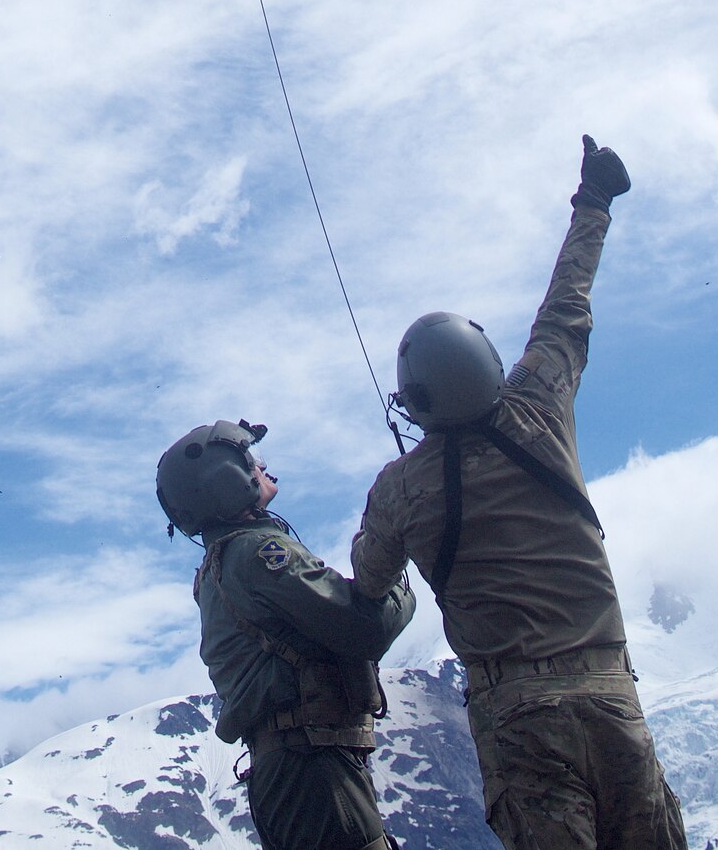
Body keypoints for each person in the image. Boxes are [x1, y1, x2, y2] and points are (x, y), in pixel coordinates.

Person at [350, 137, 688, 850]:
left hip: (517, 719)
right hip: (610, 694)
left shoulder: (400, 489)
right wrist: (593, 200)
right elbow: (567, 307)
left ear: (414, 401)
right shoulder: (540, 408)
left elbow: (370, 581)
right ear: (490, 364)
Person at [157, 418, 414, 850]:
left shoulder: (220, 565)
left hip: (291, 767)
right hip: (313, 766)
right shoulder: (259, 553)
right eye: (251, 460)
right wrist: (396, 570)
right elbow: (365, 627)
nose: (262, 466)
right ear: (228, 481)